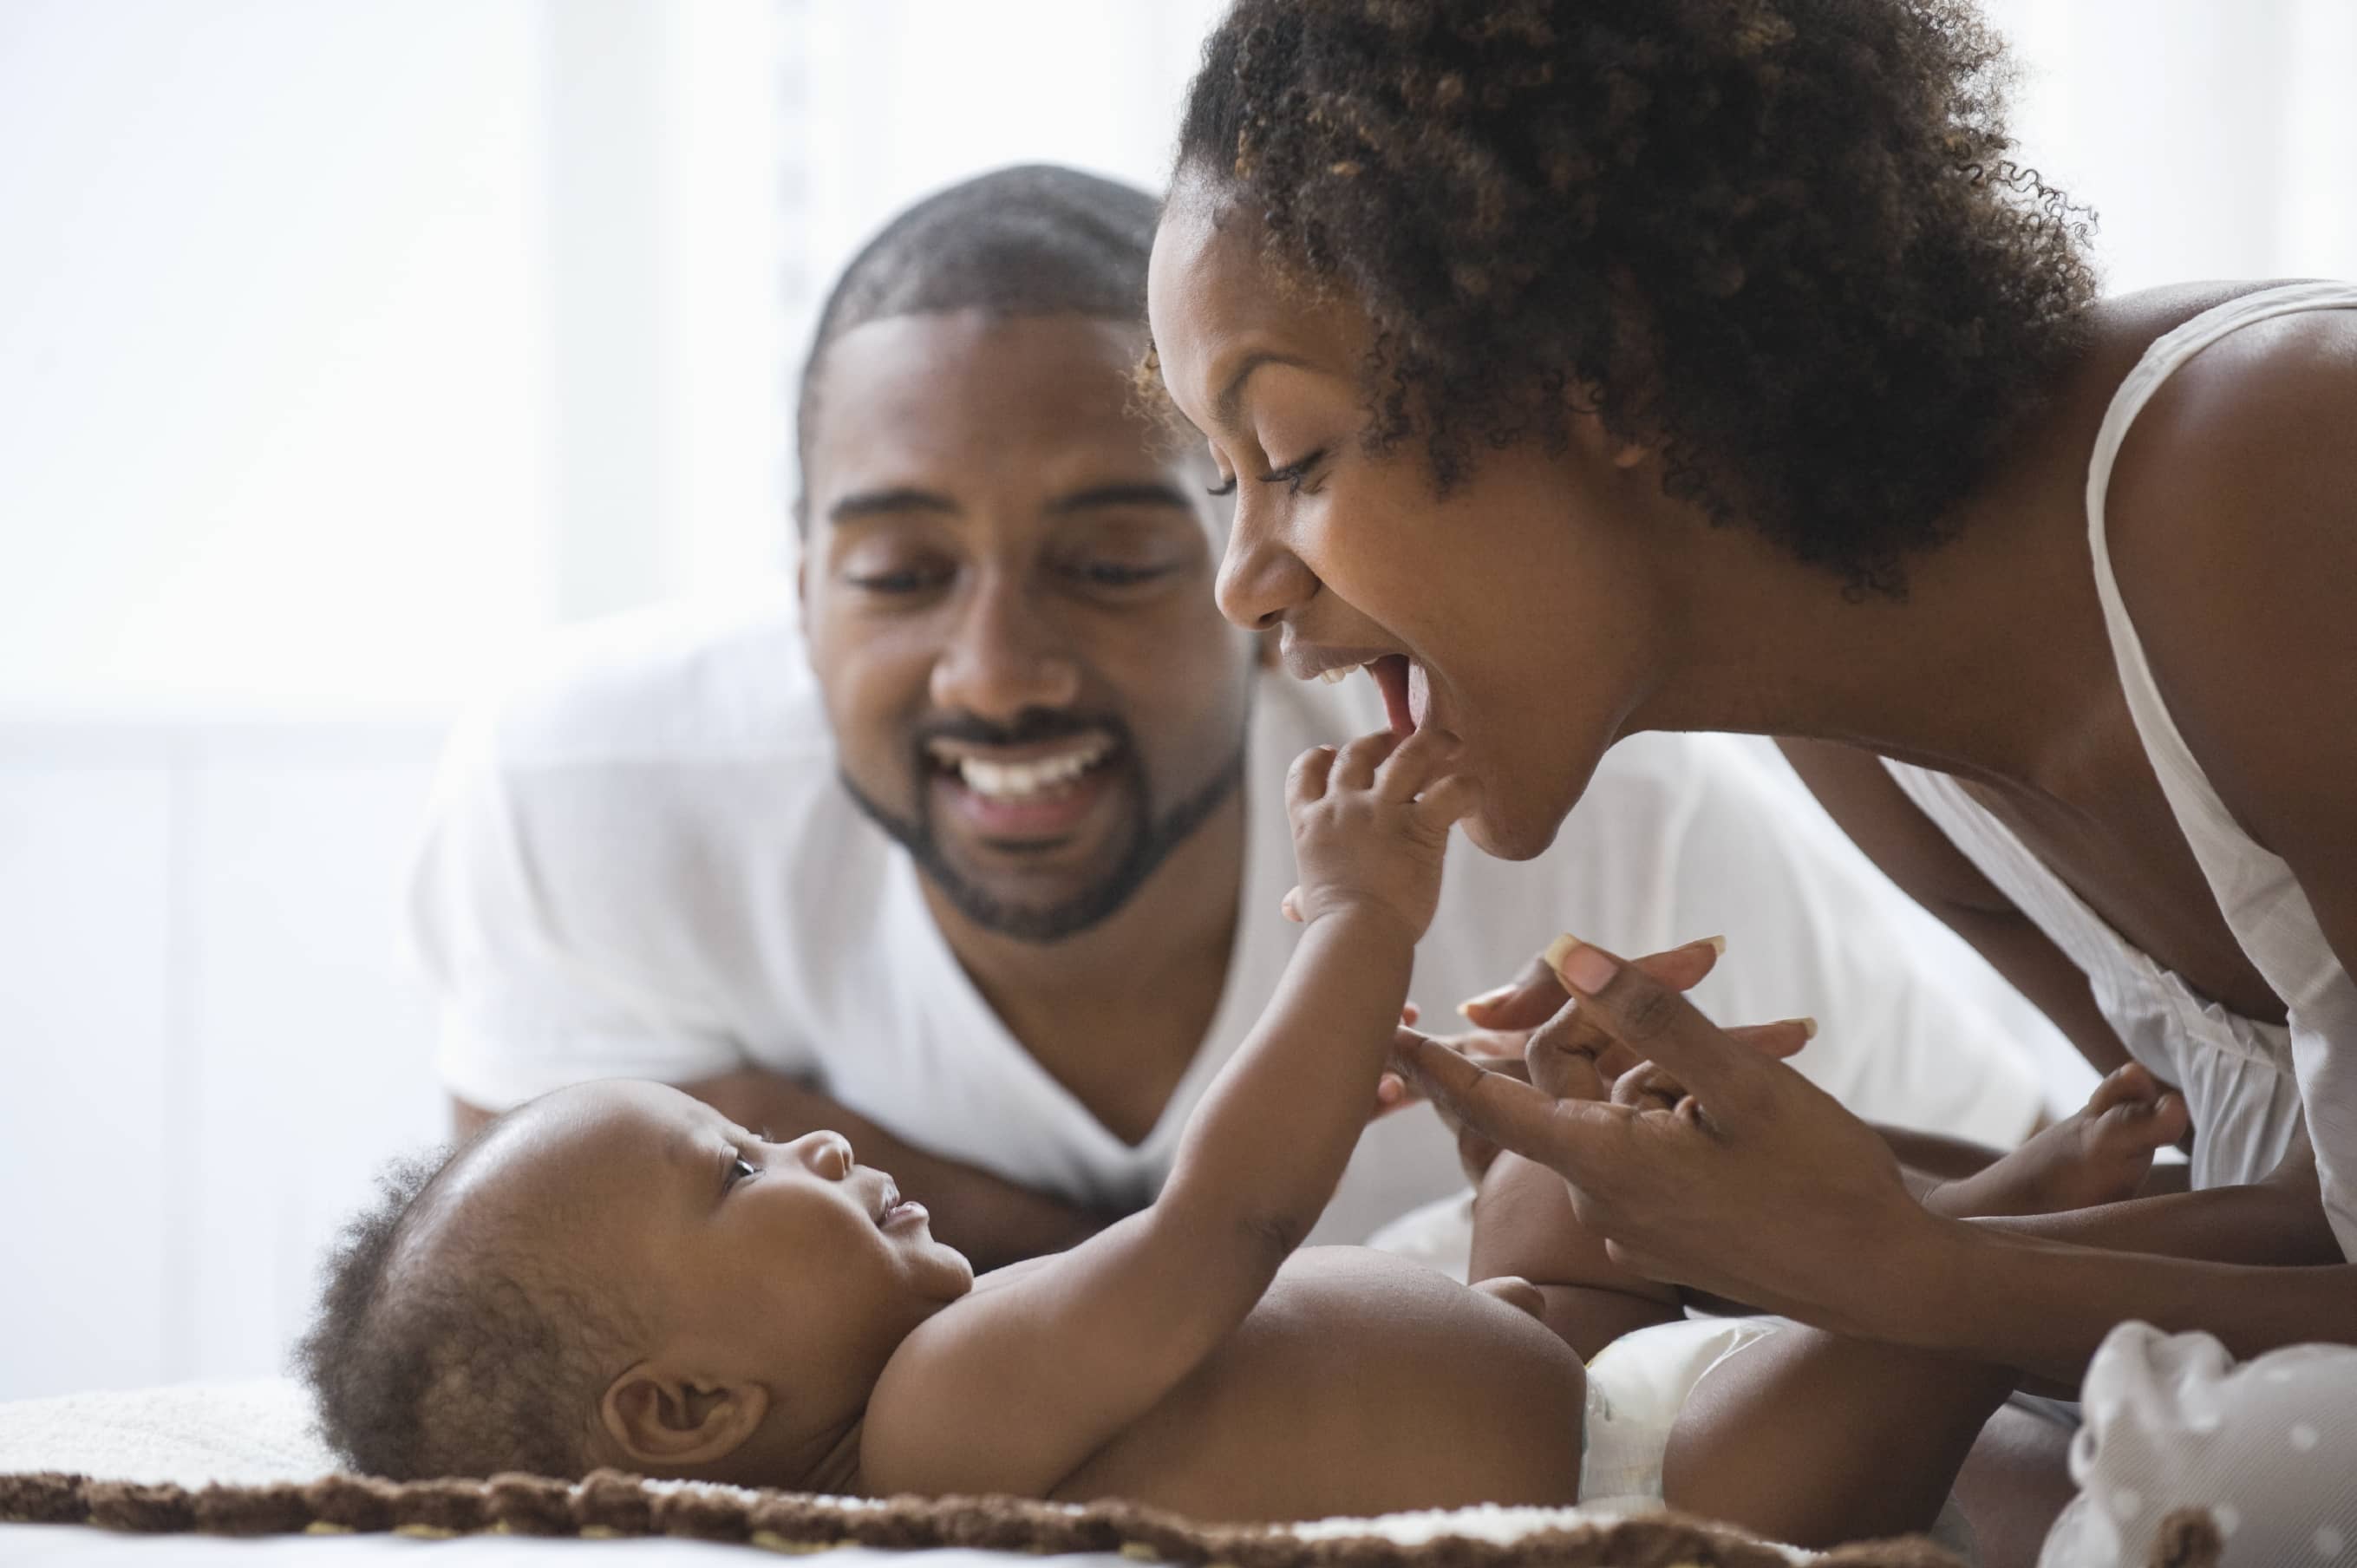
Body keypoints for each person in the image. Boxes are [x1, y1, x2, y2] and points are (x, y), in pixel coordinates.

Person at [1142, 2, 2354, 1563]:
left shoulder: (2275, 490)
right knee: (1509, 1324)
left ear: (1605, 367)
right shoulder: (1859, 724)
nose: (1242, 584)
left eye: (1294, 456)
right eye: (1219, 477)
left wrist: (1905, 1269)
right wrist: (1702, 1200)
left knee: (2243, 1478)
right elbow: (2271, 1201)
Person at [411, 164, 2052, 1275]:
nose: (994, 672)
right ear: (797, 591)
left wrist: (804, 1146)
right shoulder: (592, 794)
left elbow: (2005, 1221)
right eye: (901, 572)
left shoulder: (1608, 821)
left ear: (1263, 575)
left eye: (1114, 561)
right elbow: (564, 1313)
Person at [314, 723, 2171, 1545]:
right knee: (1881, 1341)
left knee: (1552, 1170)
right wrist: (1357, 917)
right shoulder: (931, 1425)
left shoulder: (939, 1390)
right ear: (691, 1413)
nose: (798, 1148)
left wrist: (1498, 1182)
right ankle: (2026, 1227)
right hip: (1636, 1500)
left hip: (1548, 1368)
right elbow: (1223, 1222)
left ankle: (1938, 1230)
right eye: (733, 1175)